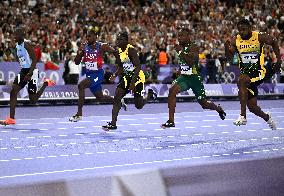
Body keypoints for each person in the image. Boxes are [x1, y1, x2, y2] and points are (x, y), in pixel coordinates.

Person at [161, 28, 226, 128]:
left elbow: (191, 63)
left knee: (204, 104)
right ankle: (171, 120)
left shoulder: (193, 47)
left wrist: (180, 52)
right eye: (179, 36)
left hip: (194, 79)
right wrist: (179, 71)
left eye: (182, 35)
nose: (180, 38)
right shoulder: (181, 47)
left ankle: (218, 108)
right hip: (184, 78)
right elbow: (184, 64)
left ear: (188, 36)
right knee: (172, 91)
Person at [225, 18, 281, 130]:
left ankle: (242, 116)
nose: (241, 32)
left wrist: (278, 60)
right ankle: (267, 117)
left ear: (250, 28)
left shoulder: (259, 36)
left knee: (241, 80)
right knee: (252, 107)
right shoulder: (236, 40)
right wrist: (227, 49)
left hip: (258, 72)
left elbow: (274, 41)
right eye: (239, 30)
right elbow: (230, 59)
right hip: (246, 75)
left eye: (244, 29)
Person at [69, 27, 127, 122]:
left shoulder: (102, 46)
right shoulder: (85, 47)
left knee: (81, 85)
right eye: (86, 36)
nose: (87, 38)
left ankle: (79, 114)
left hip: (98, 74)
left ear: (95, 37)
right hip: (89, 75)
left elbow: (115, 52)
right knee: (100, 97)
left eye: (90, 36)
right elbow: (76, 62)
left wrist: (120, 64)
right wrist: (80, 52)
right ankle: (118, 101)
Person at [102, 32, 157, 130]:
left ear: (126, 41)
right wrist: (114, 75)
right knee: (117, 97)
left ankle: (149, 95)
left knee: (138, 105)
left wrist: (132, 83)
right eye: (117, 39)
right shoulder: (119, 51)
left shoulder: (131, 50)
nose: (117, 41)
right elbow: (121, 67)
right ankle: (113, 124)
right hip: (127, 77)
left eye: (120, 40)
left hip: (137, 78)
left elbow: (138, 67)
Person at [0, 27, 55, 125]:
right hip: (24, 71)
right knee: (14, 91)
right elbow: (21, 58)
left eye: (16, 35)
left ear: (21, 35)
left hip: (32, 71)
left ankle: (46, 83)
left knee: (33, 100)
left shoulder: (27, 44)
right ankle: (11, 119)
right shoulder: (17, 45)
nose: (14, 37)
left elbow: (34, 60)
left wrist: (29, 74)